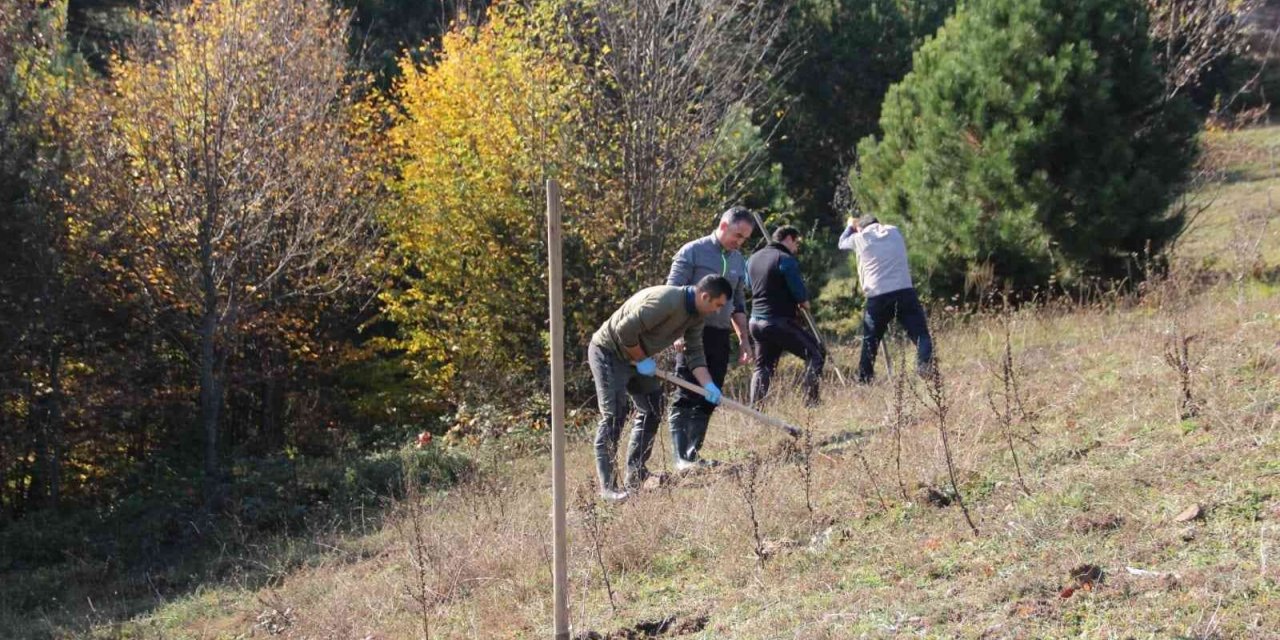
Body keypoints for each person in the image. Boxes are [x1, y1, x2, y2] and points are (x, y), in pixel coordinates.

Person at [589, 274, 733, 500]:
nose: (717, 311)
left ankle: (636, 474)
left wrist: (708, 385)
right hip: (609, 352)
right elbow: (624, 330)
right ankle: (608, 488)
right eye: (718, 305)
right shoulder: (667, 300)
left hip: (638, 357)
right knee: (614, 415)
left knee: (653, 407)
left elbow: (695, 354)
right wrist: (641, 359)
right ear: (705, 296)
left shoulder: (696, 317)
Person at [666, 206, 753, 470]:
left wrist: (744, 340)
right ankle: (680, 458)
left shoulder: (738, 261)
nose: (739, 242)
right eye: (737, 235)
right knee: (687, 392)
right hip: (691, 334)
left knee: (711, 394)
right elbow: (670, 295)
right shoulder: (692, 252)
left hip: (719, 335)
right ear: (724, 225)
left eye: (745, 239)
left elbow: (738, 304)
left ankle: (693, 454)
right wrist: (676, 332)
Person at [838, 214, 933, 383]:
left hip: (878, 296)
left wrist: (850, 226)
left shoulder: (860, 238)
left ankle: (865, 379)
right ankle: (924, 364)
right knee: (921, 335)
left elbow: (842, 243)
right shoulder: (895, 231)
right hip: (905, 291)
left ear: (861, 228)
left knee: (870, 340)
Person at [747, 226, 824, 406]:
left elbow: (750, 284)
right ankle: (811, 403)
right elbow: (800, 294)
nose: (796, 248)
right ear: (789, 238)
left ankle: (755, 409)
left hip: (755, 322)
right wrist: (804, 302)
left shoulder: (752, 259)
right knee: (816, 354)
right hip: (777, 322)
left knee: (763, 367)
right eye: (796, 243)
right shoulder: (785, 259)